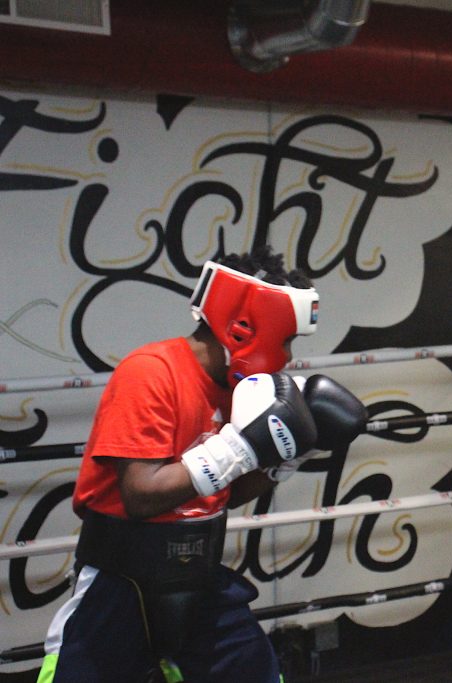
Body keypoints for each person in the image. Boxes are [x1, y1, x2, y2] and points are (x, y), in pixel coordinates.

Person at [38, 246, 367, 683]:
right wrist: (238, 447)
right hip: (120, 581)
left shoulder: (240, 390)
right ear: (244, 328)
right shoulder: (150, 372)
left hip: (199, 571)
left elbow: (225, 492)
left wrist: (281, 460)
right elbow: (140, 495)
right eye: (285, 340)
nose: (288, 357)